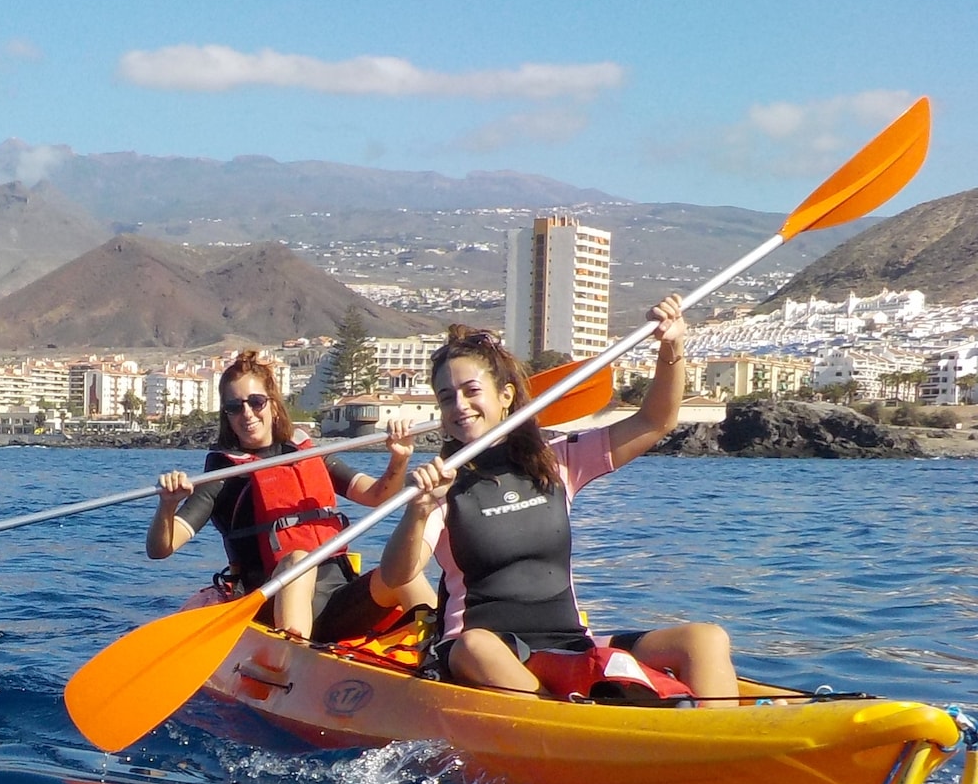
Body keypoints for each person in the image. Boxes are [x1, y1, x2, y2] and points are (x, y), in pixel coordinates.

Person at [377, 298, 739, 701]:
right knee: (476, 645)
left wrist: (671, 347)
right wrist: (418, 511)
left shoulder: (558, 459)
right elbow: (396, 576)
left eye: (471, 390)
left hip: (567, 642)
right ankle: (571, 724)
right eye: (446, 397)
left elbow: (655, 422)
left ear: (506, 395)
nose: (459, 406)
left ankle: (733, 741)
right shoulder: (442, 485)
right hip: (479, 652)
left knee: (705, 640)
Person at [146, 350, 434, 642]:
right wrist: (168, 505)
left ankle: (444, 653)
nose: (247, 413)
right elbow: (161, 548)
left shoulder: (311, 454)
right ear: (227, 416)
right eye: (234, 407)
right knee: (297, 559)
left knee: (405, 574)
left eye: (256, 402)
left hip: (336, 599)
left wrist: (399, 460)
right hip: (271, 605)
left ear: (272, 405)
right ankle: (293, 654)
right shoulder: (223, 477)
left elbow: (377, 495)